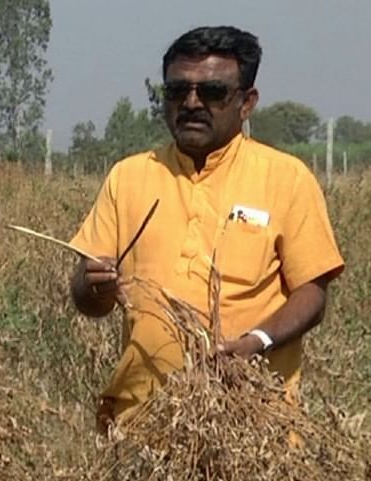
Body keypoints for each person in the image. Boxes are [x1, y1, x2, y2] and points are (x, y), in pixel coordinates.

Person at [69, 26, 344, 431]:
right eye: (177, 91)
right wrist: (94, 286)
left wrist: (256, 343)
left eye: (212, 92)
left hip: (252, 423)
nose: (192, 103)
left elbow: (312, 294)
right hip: (144, 424)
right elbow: (87, 300)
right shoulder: (128, 177)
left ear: (246, 103)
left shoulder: (286, 179)